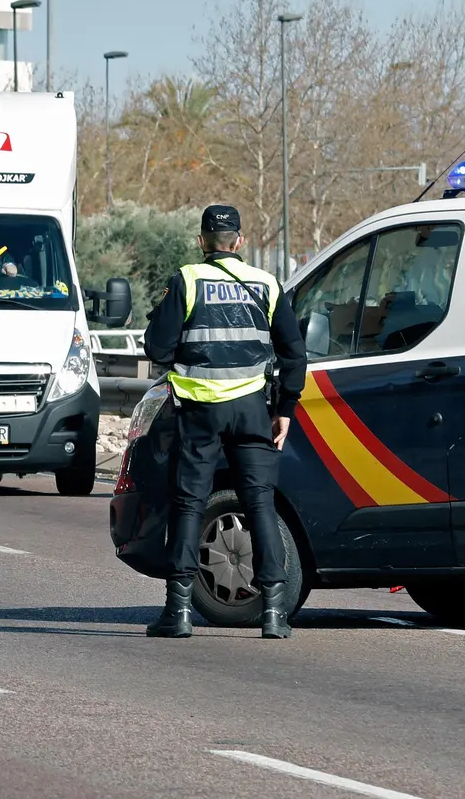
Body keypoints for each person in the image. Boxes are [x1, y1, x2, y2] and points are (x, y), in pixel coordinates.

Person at [140, 206, 306, 639]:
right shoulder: (266, 284)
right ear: (240, 241)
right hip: (252, 409)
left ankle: (178, 612)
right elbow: (294, 352)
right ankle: (273, 613)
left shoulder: (188, 280)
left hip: (198, 412)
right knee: (260, 504)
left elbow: (157, 348)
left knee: (189, 503)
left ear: (201, 241)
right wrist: (285, 408)